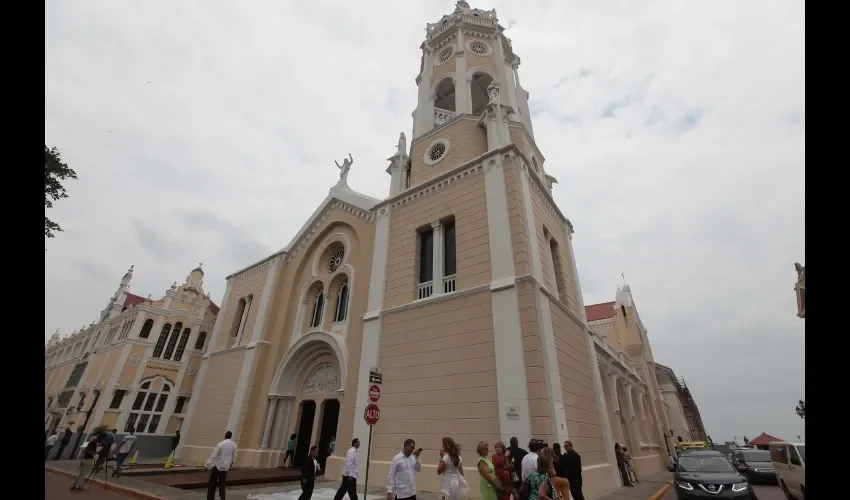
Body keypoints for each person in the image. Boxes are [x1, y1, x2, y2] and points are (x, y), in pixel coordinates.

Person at [206, 431, 237, 500]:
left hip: (218, 466)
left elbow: (214, 455)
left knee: (212, 483)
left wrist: (207, 463)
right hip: (225, 467)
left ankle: (210, 498)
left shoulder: (220, 444)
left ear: (225, 436)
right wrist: (231, 464)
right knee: (222, 484)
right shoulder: (234, 445)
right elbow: (234, 456)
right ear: (231, 436)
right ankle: (222, 497)